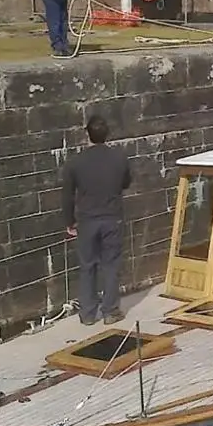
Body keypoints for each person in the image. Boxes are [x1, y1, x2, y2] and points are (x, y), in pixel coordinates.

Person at [62, 114, 131, 325]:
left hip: (87, 220)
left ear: (87, 135)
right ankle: (110, 311)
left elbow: (67, 195)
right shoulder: (119, 158)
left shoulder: (75, 163)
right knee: (110, 265)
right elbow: (126, 182)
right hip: (112, 217)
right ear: (107, 134)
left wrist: (69, 222)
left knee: (87, 266)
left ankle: (88, 314)